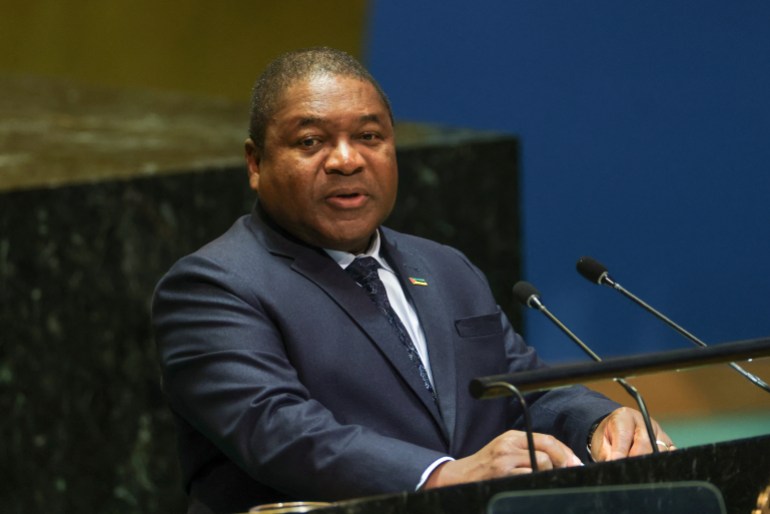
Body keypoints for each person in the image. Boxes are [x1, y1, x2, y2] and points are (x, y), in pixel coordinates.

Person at [152, 47, 673, 514]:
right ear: (255, 163)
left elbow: (521, 390)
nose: (346, 159)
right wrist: (443, 476)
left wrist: (600, 420)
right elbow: (278, 430)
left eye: (369, 137)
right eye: (311, 140)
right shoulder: (213, 286)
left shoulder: (445, 268)